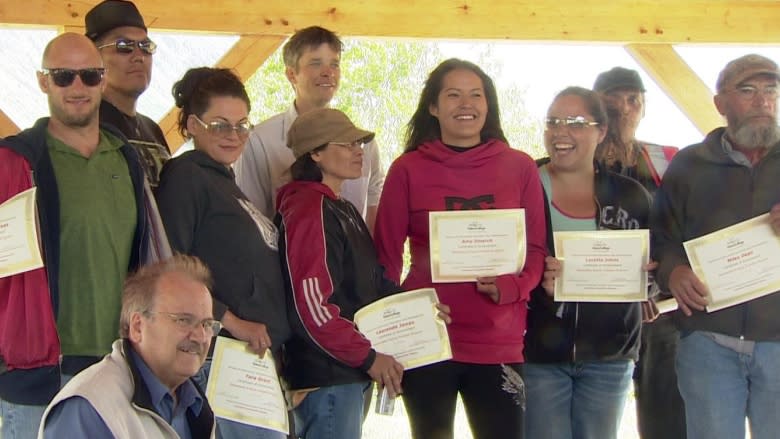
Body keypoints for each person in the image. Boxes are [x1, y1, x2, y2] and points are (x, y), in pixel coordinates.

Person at [373, 58, 546, 439]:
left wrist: (512, 288)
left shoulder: (520, 168)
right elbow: (384, 258)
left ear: (488, 105)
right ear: (433, 107)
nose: (465, 104)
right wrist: (399, 319)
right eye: (453, 95)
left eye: (475, 95)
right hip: (428, 339)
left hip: (499, 340)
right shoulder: (407, 169)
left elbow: (535, 252)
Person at [0, 32, 152, 438]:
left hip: (117, 367)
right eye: (64, 76)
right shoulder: (14, 162)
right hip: (38, 372)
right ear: (43, 81)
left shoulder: (126, 158)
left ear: (103, 80)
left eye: (88, 75)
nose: (78, 87)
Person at [155, 67, 290, 438]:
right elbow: (171, 269)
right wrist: (229, 321)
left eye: (242, 125)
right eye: (220, 125)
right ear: (194, 125)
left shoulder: (226, 182)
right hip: (217, 353)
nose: (233, 135)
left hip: (249, 356)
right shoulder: (185, 177)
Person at [652, 54, 780, 439]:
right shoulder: (689, 165)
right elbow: (661, 237)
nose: (762, 100)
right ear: (721, 103)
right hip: (708, 343)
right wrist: (674, 272)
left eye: (770, 89)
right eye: (747, 90)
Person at [523, 86, 652, 439]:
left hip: (609, 354)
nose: (561, 132)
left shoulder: (631, 196)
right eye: (553, 122)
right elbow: (498, 259)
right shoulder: (521, 185)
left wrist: (648, 283)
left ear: (601, 131)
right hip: (536, 351)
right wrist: (534, 277)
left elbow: (657, 265)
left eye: (576, 122)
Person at [275, 108, 407, 439]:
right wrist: (367, 357)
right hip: (328, 379)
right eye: (347, 143)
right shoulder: (307, 208)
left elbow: (369, 286)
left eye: (359, 143)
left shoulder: (342, 207)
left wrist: (418, 310)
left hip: (350, 373)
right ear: (315, 153)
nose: (359, 150)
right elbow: (313, 307)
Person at [592, 66, 685, 439]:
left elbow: (685, 230)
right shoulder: (574, 161)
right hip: (593, 311)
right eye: (611, 100)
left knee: (666, 418)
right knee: (593, 419)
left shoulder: (669, 160)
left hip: (658, 313)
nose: (622, 108)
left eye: (632, 100)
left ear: (643, 107)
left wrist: (657, 288)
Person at [39, 255, 217, 438]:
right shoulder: (89, 408)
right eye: (184, 320)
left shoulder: (195, 404)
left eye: (207, 324)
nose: (200, 336)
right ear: (138, 326)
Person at [234, 26, 384, 232]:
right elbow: (251, 216)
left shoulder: (367, 145)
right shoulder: (260, 140)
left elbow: (373, 209)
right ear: (291, 74)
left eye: (335, 64)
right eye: (315, 63)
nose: (328, 72)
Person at [86, 0, 170, 187]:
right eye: (124, 46)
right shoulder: (86, 125)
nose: (139, 56)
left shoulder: (152, 129)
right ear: (94, 57)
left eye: (146, 47)